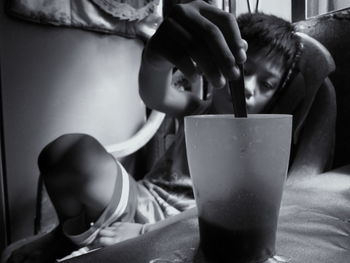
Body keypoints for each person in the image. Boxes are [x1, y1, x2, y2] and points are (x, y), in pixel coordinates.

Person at [6, 1, 335, 262]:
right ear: (219, 64)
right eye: (244, 71)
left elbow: (261, 202)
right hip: (142, 198)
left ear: (280, 95)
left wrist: (146, 231)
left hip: (186, 223)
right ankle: (68, 233)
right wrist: (156, 57)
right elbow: (154, 93)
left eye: (267, 84)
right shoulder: (198, 109)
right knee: (67, 151)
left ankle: (79, 236)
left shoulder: (258, 143)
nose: (248, 88)